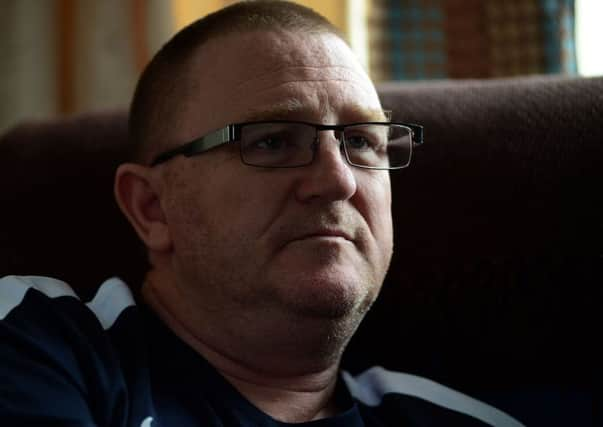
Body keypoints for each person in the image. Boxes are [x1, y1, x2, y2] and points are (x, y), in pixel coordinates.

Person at [0, 1, 523, 426]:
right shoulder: (36, 341)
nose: (338, 181)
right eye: (272, 141)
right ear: (152, 207)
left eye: (362, 141)